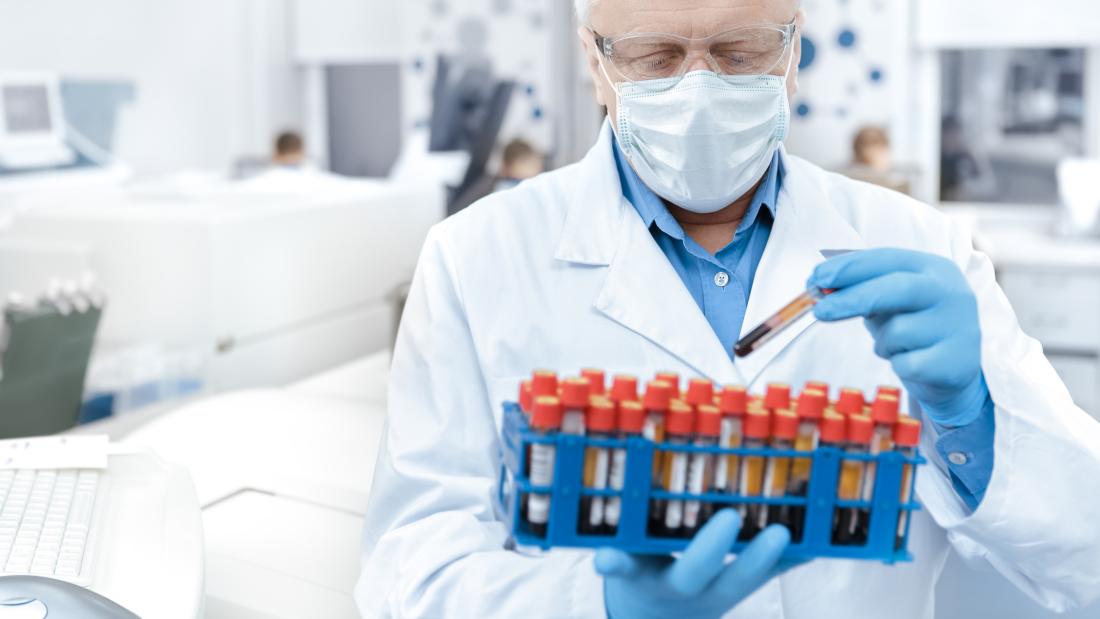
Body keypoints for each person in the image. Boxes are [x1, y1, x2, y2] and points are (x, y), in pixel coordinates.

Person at [357, 1, 1100, 617]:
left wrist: (973, 417)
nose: (700, 87)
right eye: (655, 58)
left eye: (739, 50)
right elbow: (408, 570)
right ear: (596, 63)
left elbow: (1087, 558)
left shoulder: (920, 243)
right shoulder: (474, 257)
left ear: (793, 50)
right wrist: (600, 606)